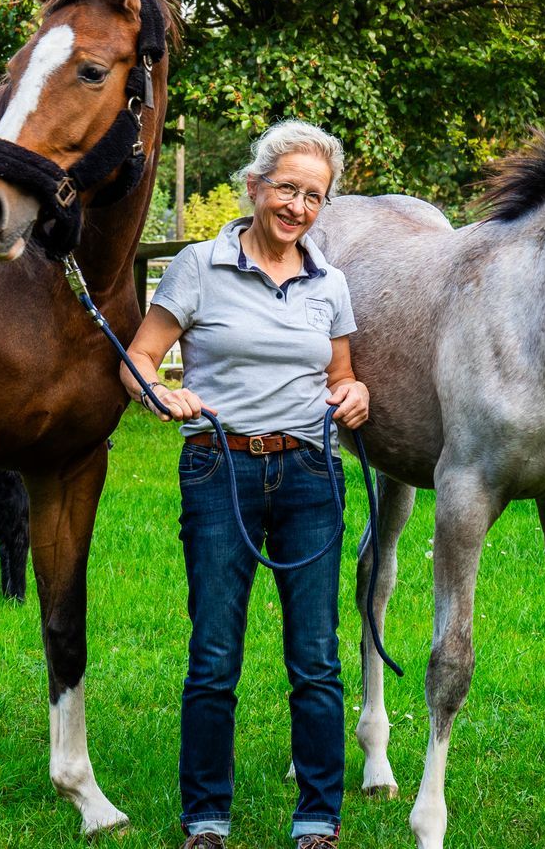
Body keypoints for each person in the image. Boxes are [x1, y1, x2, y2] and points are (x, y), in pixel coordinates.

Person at [121, 120, 371, 849]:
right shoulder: (198, 265)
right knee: (214, 654)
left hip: (309, 474)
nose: (299, 206)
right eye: (287, 189)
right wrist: (157, 392)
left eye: (315, 196)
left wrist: (356, 398)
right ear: (256, 186)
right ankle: (205, 818)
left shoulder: (332, 281)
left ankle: (318, 820)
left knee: (317, 656)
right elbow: (139, 356)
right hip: (217, 467)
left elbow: (342, 375)